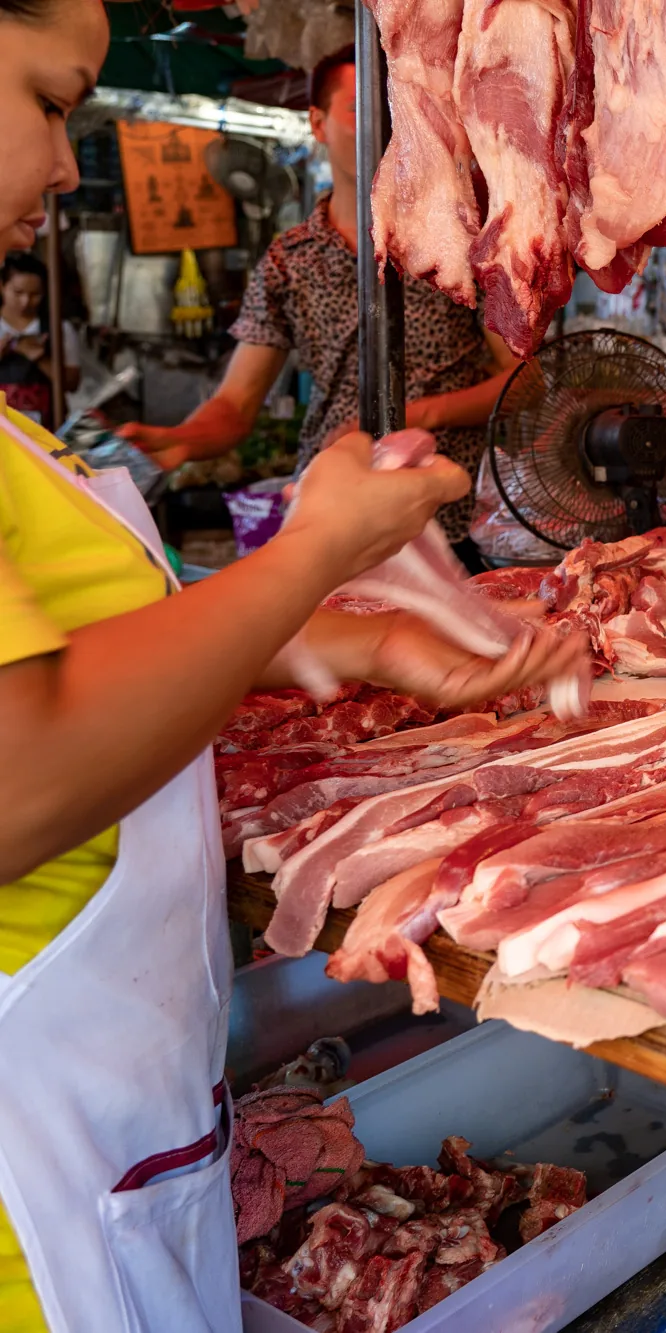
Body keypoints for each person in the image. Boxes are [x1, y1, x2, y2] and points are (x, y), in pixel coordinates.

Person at [0, 3, 580, 1327]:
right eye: (47, 101)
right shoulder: (287, 259)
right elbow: (15, 781)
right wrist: (310, 557)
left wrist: (363, 637)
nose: (67, 167)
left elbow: (85, 652)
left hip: (113, 1132)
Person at [118, 46, 518, 545]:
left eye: (395, 106)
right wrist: (181, 440)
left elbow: (525, 380)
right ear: (317, 123)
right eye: (359, 107)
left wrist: (415, 415)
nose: (380, 123)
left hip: (447, 518)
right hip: (329, 524)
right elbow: (235, 406)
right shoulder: (290, 259)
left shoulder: (459, 238)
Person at [0, 251, 79, 426]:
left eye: (35, 294)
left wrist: (40, 358)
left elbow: (72, 384)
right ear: (2, 286)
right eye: (18, 292)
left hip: (44, 430)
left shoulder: (60, 329)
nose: (26, 301)